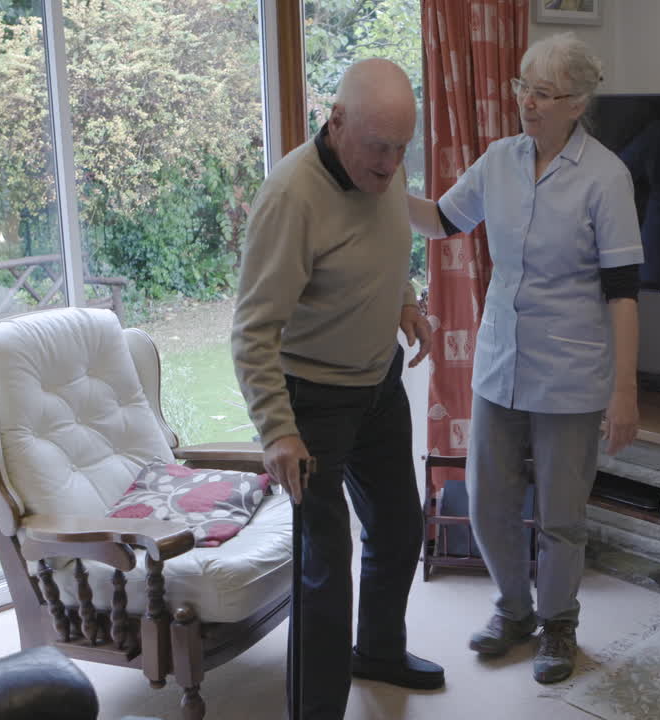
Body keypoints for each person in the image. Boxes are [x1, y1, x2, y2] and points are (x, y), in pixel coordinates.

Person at [408, 32, 642, 685]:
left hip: (572, 370)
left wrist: (624, 392)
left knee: (562, 515)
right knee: (487, 500)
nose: (527, 103)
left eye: (544, 93)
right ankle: (513, 611)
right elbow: (440, 221)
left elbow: (623, 294)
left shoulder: (606, 177)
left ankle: (558, 626)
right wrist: (378, 186)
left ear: (577, 102)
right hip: (500, 364)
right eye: (521, 87)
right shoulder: (498, 161)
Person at [232, 57, 442, 720]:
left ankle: (378, 651)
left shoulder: (384, 161)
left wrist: (404, 300)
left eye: (401, 149)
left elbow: (388, 243)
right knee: (325, 569)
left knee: (401, 527)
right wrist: (277, 429)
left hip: (377, 385)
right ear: (337, 120)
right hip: (312, 402)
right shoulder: (292, 198)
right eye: (378, 148)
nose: (389, 167)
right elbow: (251, 332)